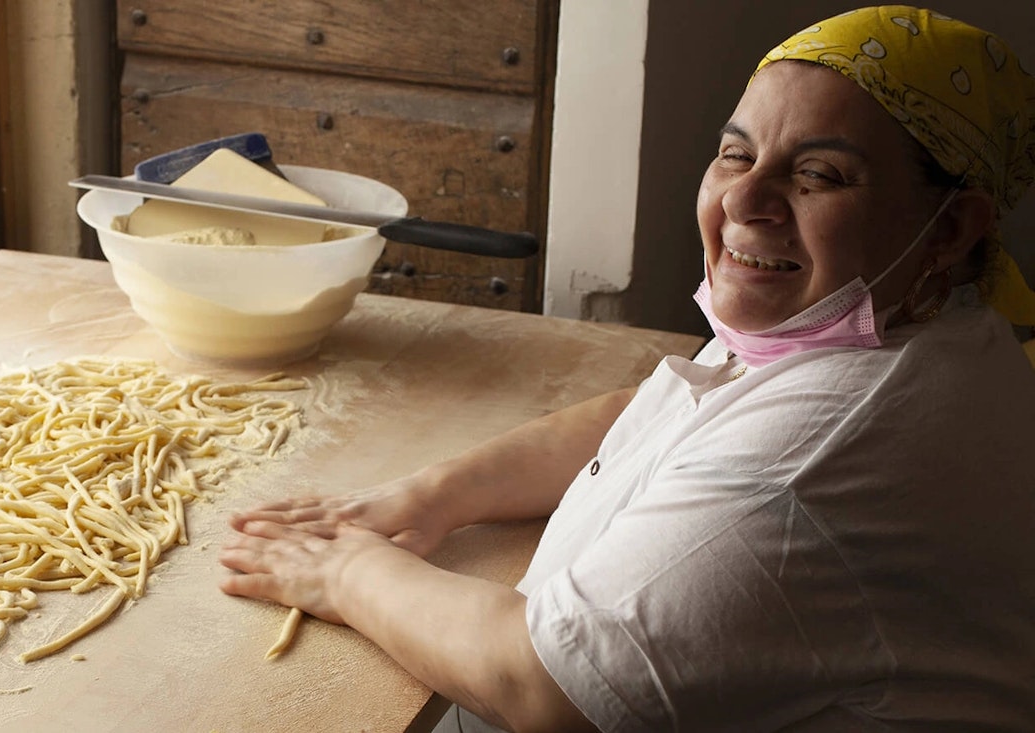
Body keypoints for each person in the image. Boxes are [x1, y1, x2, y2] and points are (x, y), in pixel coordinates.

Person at [217, 6, 1035, 731]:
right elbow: (657, 409)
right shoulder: (893, 319)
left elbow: (538, 685)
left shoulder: (820, 454)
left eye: (818, 173)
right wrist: (434, 495)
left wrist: (345, 568)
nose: (745, 201)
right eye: (734, 154)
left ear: (952, 227)